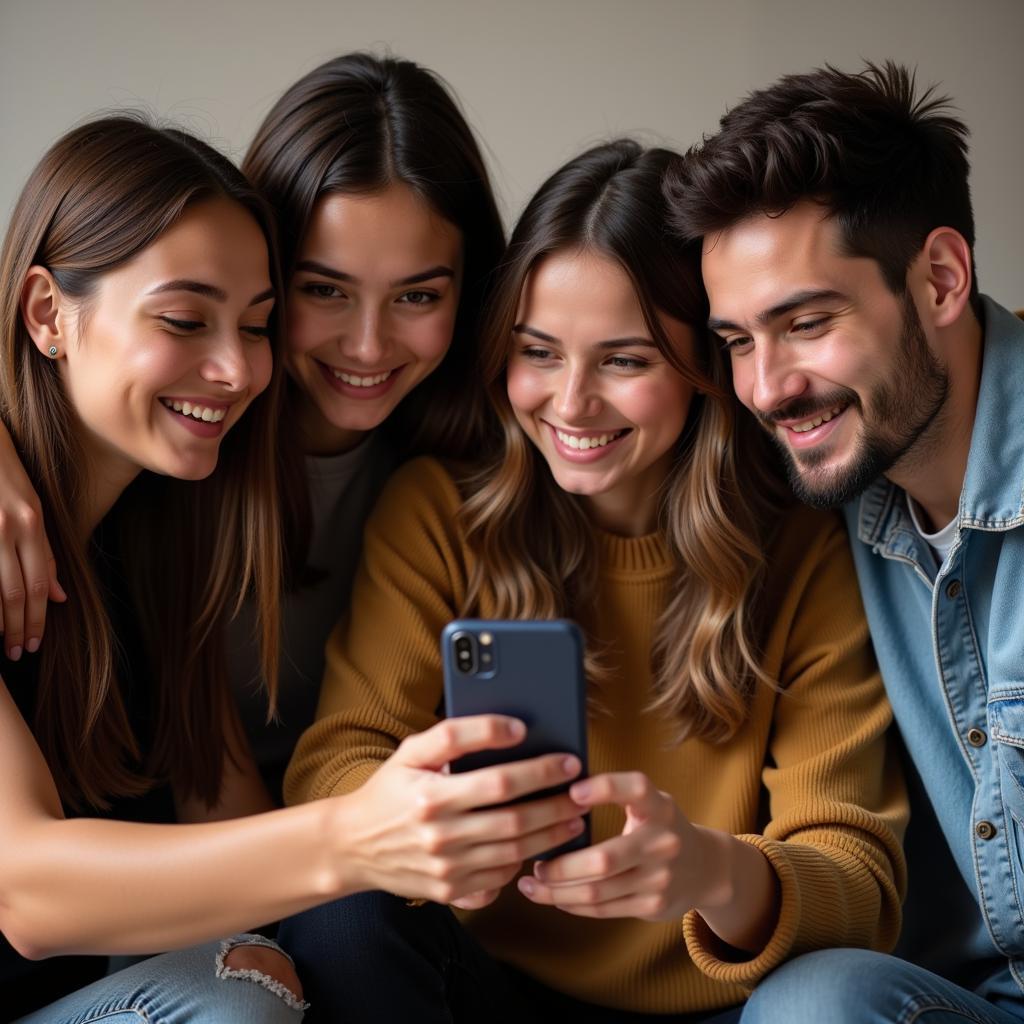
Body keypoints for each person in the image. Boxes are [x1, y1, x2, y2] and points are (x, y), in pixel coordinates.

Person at [280, 139, 907, 1023]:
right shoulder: (439, 512)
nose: (570, 404)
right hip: (483, 988)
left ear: (704, 370)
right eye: (538, 352)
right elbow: (335, 765)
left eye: (625, 360)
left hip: (723, 1004)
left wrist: (710, 871)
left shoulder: (800, 549)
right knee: (337, 916)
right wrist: (449, 821)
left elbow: (858, 876)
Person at [0, 115, 536, 1024]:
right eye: (183, 319)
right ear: (48, 312)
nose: (236, 368)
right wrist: (358, 837)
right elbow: (28, 894)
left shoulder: (164, 528)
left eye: (255, 325)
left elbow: (223, 806)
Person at [0, 52, 506, 800]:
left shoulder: (474, 467)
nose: (368, 346)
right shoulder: (171, 461)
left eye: (417, 298)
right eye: (324, 289)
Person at [667, 61, 1024, 1023]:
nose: (769, 388)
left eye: (808, 323)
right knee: (813, 1005)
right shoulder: (822, 504)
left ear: (940, 280)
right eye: (739, 340)